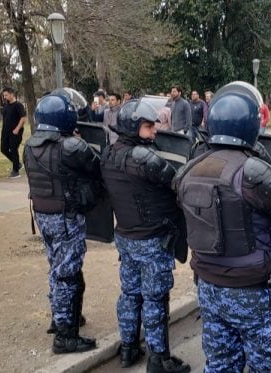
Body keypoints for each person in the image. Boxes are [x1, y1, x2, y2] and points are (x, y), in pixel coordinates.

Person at [174, 83, 271, 372]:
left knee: (221, 365)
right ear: (251, 126)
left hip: (209, 290)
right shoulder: (254, 171)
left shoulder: (187, 170)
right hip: (253, 292)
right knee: (269, 366)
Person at [101, 98, 191, 372]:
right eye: (149, 126)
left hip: (126, 237)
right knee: (155, 298)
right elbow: (177, 182)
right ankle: (159, 359)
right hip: (152, 239)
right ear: (132, 127)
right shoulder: (143, 158)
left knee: (130, 294)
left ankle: (128, 348)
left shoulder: (108, 153)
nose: (155, 131)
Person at [23, 89, 101, 354]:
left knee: (57, 269)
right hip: (66, 219)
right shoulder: (71, 146)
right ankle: (66, 336)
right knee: (68, 274)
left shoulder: (30, 145)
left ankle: (61, 319)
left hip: (43, 217)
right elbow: (96, 166)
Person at [0, 87, 27, 178]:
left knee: (13, 149)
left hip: (15, 132)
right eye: (4, 95)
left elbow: (23, 118)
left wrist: (17, 129)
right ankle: (18, 164)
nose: (5, 97)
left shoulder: (18, 105)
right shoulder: (5, 105)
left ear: (12, 94)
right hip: (5, 131)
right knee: (3, 149)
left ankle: (16, 171)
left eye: (6, 95)